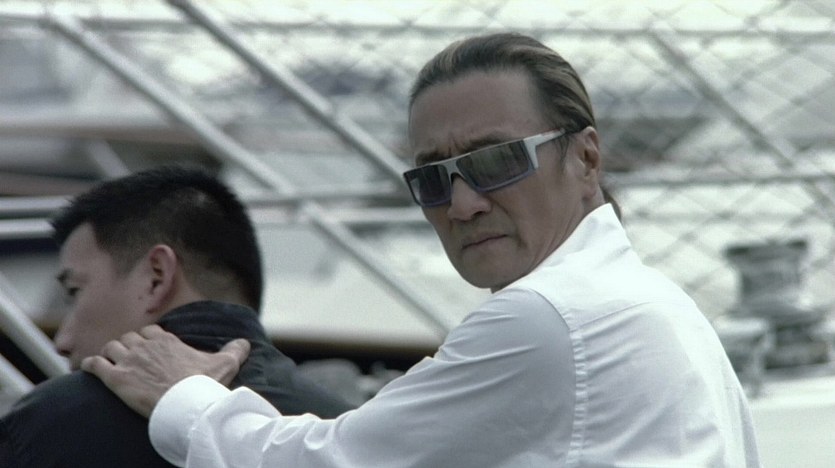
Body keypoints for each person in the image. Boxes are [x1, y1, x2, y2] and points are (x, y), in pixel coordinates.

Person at [82, 33, 761, 467]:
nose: (461, 203)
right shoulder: (654, 303)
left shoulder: (550, 318)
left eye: (496, 161)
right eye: (432, 178)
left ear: (585, 158)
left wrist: (184, 396)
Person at [0, 166, 354, 467]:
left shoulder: (51, 422)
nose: (63, 341)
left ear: (156, 277)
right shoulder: (342, 429)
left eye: (74, 291)